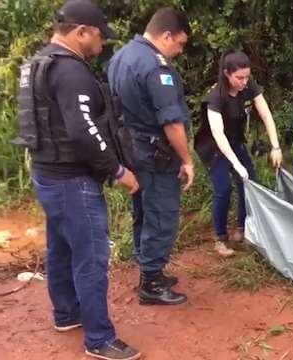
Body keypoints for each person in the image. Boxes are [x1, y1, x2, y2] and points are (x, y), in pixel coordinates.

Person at [15, 1, 140, 359]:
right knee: (91, 257)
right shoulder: (71, 71)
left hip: (46, 174)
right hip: (72, 181)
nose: (102, 43)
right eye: (100, 36)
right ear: (81, 31)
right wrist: (117, 171)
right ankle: (99, 339)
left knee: (61, 247)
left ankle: (67, 314)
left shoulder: (38, 62)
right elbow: (83, 132)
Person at [108, 7, 192, 305]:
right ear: (166, 35)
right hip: (156, 154)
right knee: (161, 214)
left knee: (143, 211)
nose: (180, 51)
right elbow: (171, 120)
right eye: (179, 43)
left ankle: (148, 271)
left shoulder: (121, 57)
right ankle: (152, 284)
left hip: (131, 149)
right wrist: (187, 159)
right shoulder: (156, 67)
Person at [194, 51, 283, 257]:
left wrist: (275, 146)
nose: (244, 82)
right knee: (223, 189)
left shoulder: (249, 85)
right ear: (227, 74)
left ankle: (243, 229)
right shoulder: (215, 97)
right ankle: (220, 238)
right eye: (239, 78)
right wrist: (236, 164)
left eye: (246, 76)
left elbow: (266, 114)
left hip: (235, 141)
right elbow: (217, 134)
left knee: (249, 183)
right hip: (214, 146)